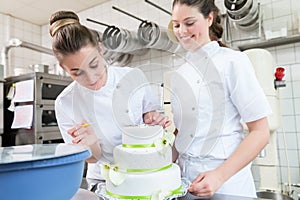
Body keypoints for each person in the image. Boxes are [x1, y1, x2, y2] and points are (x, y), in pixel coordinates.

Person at [49, 10, 171, 189]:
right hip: (103, 179)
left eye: (94, 65)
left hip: (145, 172)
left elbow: (151, 117)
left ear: (100, 49)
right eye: (77, 72)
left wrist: (153, 119)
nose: (91, 79)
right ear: (63, 67)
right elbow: (91, 159)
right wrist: (91, 145)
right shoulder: (65, 103)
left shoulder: (133, 77)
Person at [169, 0, 271, 198]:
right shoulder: (179, 74)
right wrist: (156, 163)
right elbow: (181, 132)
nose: (181, 31)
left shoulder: (232, 62)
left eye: (189, 23)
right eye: (176, 24)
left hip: (227, 184)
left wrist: (219, 176)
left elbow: (260, 132)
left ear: (209, 18)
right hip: (186, 183)